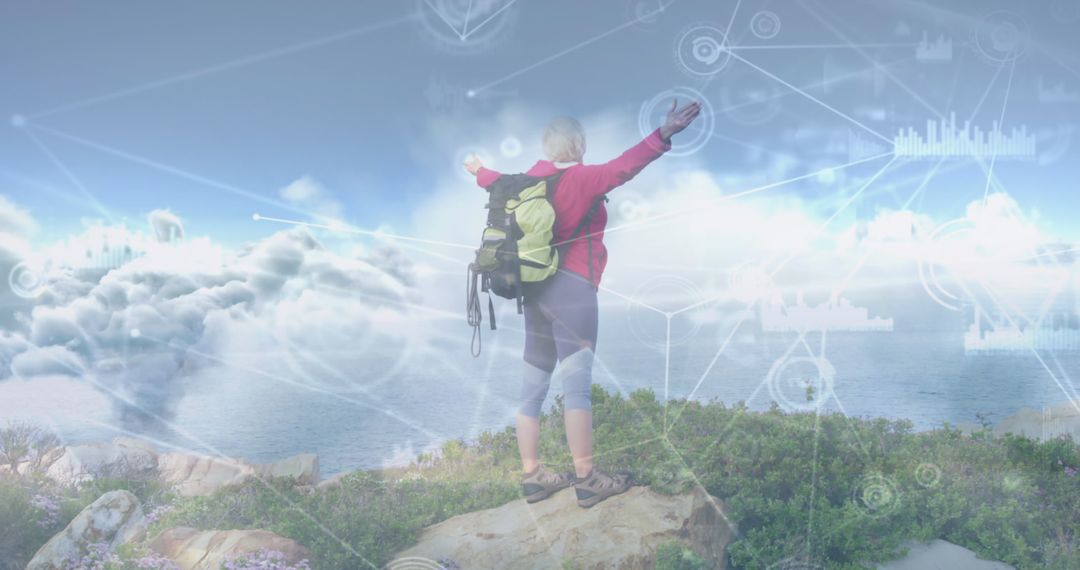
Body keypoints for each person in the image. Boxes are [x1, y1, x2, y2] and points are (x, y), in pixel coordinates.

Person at [463, 99, 701, 508]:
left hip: (532, 292)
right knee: (577, 391)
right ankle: (587, 479)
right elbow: (625, 166)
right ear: (579, 146)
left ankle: (533, 476)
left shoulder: (522, 181)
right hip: (573, 291)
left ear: (545, 146)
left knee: (530, 390)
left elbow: (491, 179)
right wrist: (663, 133)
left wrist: (475, 169)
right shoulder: (585, 178)